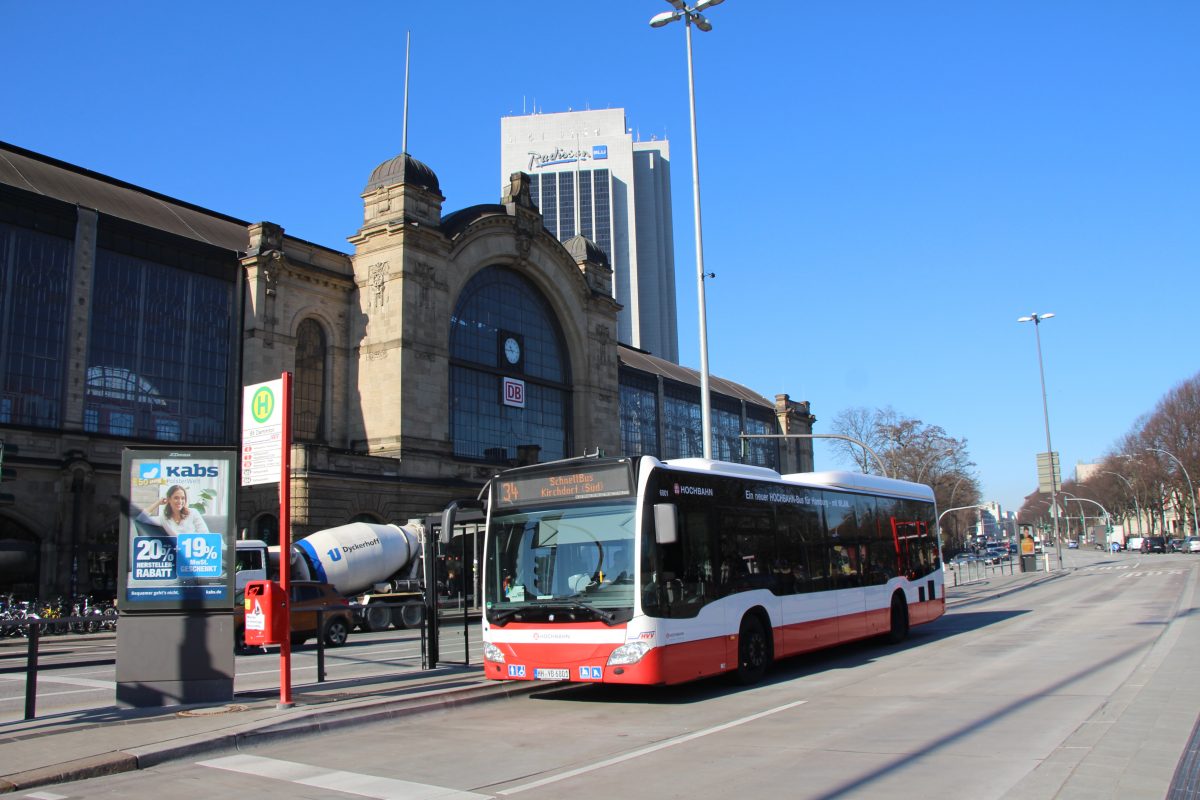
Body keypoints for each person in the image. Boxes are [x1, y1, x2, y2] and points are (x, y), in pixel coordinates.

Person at [137, 485, 209, 535]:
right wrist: (158, 503)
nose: (180, 501)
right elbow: (141, 519)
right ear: (169, 499)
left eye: (182, 498)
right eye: (176, 498)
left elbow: (205, 534)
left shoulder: (193, 513)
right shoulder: (163, 519)